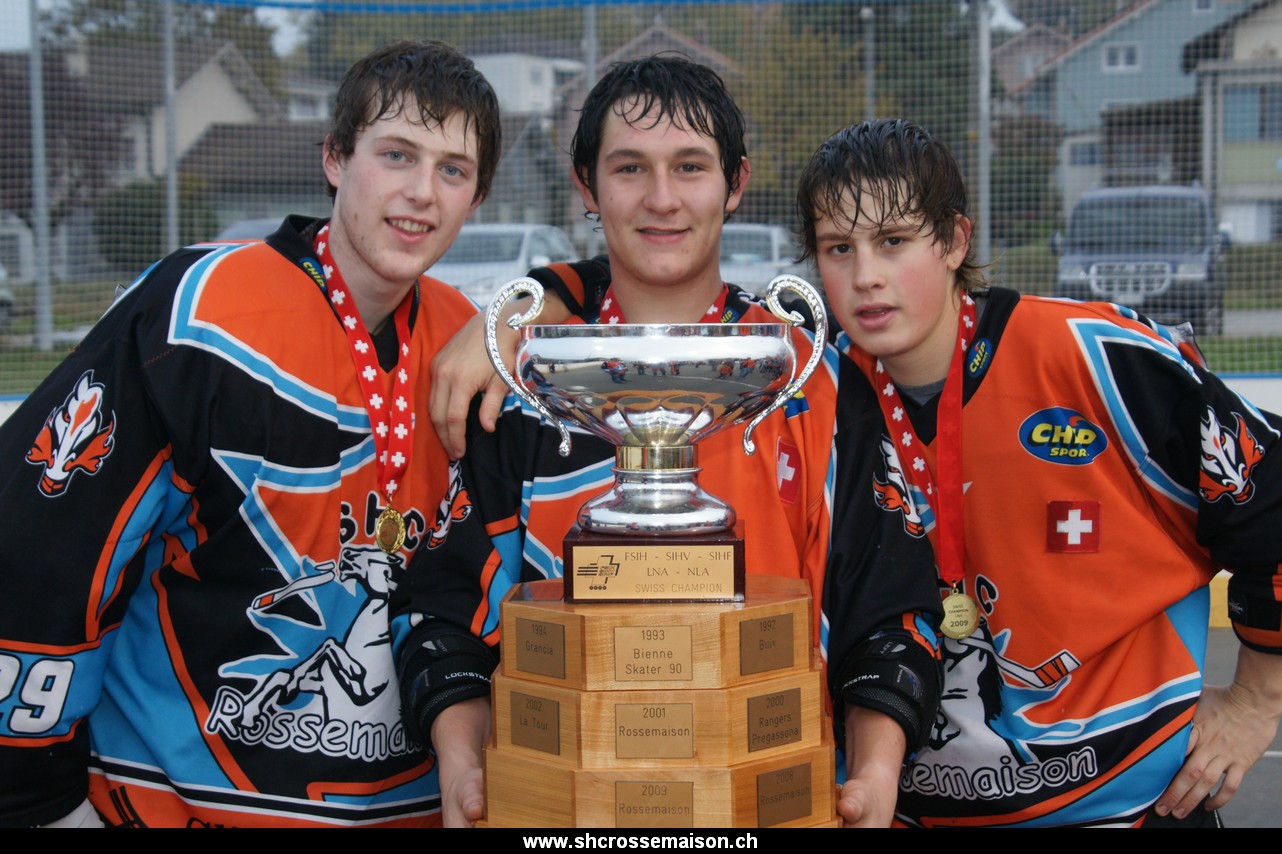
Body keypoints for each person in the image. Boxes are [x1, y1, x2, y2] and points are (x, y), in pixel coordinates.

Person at [392, 56, 943, 828]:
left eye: (689, 166)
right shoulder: (526, 384)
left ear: (735, 183)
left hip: (767, 811)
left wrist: (876, 774)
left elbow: (889, 611)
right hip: (569, 825)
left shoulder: (808, 379)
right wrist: (462, 766)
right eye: (629, 169)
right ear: (587, 186)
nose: (661, 199)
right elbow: (444, 610)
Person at [0, 39, 500, 827]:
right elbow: (43, 548)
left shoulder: (468, 344)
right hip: (173, 802)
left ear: (477, 198)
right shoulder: (203, 313)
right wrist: (37, 801)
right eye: (396, 154)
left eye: (453, 170)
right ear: (334, 156)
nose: (421, 193)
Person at [794, 117, 1282, 827]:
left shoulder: (1092, 356)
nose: (865, 275)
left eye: (893, 240)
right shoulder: (818, 395)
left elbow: (1268, 493)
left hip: (1128, 809)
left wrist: (1257, 700)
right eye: (839, 247)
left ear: (954, 241)